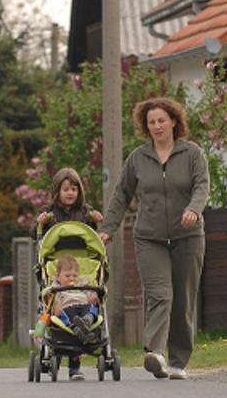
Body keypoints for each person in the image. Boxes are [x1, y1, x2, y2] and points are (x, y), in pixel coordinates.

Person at [99, 97, 209, 381]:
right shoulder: (138, 158)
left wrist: (194, 209)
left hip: (188, 236)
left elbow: (202, 186)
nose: (157, 126)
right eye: (151, 122)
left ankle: (178, 362)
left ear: (173, 121)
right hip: (149, 238)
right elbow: (122, 194)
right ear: (146, 127)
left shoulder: (192, 154)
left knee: (183, 300)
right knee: (160, 294)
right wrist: (108, 229)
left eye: (161, 120)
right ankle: (156, 353)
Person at [50, 254, 99, 381]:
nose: (71, 278)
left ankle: (86, 321)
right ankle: (80, 328)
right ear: (58, 276)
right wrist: (56, 306)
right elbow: (54, 301)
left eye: (74, 275)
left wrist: (93, 297)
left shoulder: (82, 284)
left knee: (93, 308)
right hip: (68, 308)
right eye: (67, 276)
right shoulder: (57, 287)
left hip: (83, 306)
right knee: (69, 314)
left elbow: (91, 294)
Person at [34, 167, 104, 236]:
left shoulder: (86, 211)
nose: (70, 193)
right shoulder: (47, 211)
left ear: (79, 191)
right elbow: (34, 235)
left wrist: (96, 220)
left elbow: (95, 235)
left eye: (74, 189)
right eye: (66, 190)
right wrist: (40, 223)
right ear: (57, 191)